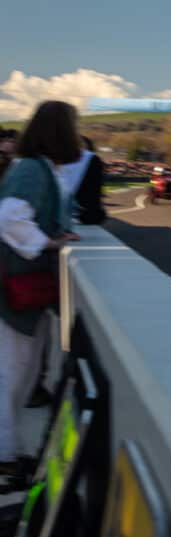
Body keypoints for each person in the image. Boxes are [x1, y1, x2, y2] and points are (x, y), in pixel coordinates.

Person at [0, 101, 81, 479]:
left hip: (24, 288)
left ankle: (9, 452)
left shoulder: (38, 167)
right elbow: (9, 217)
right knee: (11, 374)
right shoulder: (33, 169)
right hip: (16, 286)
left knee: (19, 374)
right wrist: (48, 244)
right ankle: (4, 456)